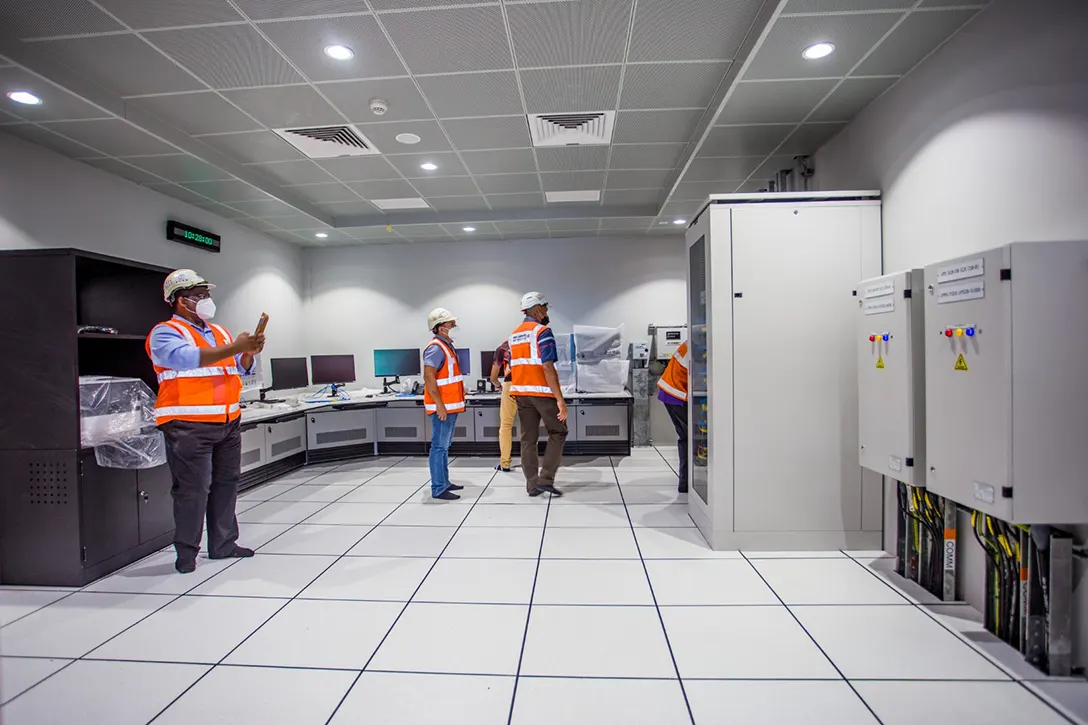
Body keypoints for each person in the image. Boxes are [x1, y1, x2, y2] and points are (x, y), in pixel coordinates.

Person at [146, 269, 264, 574]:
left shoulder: (220, 333)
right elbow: (190, 359)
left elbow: (240, 368)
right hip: (188, 425)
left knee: (226, 484)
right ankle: (186, 554)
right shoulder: (165, 333)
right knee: (192, 490)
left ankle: (224, 544)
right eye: (198, 295)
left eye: (206, 294)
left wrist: (247, 353)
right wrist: (237, 347)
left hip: (227, 421)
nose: (205, 299)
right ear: (179, 300)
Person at [508, 292, 567, 497]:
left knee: (528, 439)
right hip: (542, 392)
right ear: (536, 309)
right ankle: (546, 479)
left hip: (521, 394)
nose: (546, 311)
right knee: (558, 432)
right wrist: (560, 400)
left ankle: (532, 485)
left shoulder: (514, 335)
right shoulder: (542, 331)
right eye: (545, 307)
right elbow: (548, 367)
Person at [423, 308, 466, 500]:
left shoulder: (446, 346)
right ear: (440, 327)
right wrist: (440, 405)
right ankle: (438, 487)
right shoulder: (435, 348)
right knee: (439, 447)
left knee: (444, 446)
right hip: (442, 407)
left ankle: (444, 482)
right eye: (449, 322)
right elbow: (429, 377)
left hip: (450, 406)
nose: (453, 324)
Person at [657, 340, 689, 493]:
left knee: (685, 437)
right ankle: (689, 482)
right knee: (693, 438)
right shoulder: (703, 345)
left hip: (668, 390)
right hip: (677, 393)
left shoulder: (692, 342)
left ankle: (685, 483)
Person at [489, 339, 514, 473]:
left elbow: (493, 378)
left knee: (506, 425)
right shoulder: (529, 345)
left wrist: (499, 386)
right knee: (530, 426)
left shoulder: (502, 348)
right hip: (528, 386)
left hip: (510, 386)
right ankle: (531, 462)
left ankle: (505, 463)